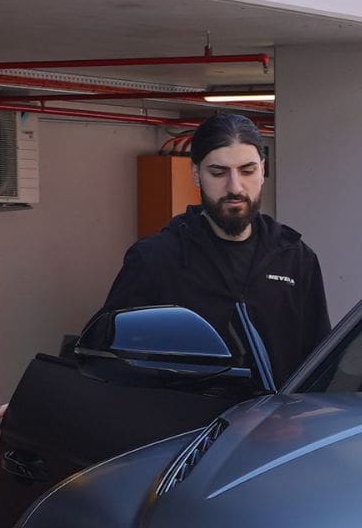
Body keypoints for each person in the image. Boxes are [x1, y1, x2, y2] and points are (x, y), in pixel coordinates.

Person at [87, 110, 330, 377]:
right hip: (187, 405)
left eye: (247, 171)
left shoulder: (295, 257)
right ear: (196, 174)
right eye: (218, 172)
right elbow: (107, 355)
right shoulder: (155, 259)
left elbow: (319, 361)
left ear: (262, 170)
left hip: (276, 405)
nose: (235, 187)